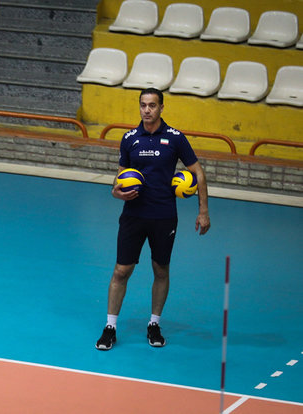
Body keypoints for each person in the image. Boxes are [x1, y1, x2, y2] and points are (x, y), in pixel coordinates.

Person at [95, 88, 210, 351]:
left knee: (161, 270)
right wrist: (116, 191)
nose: (147, 110)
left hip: (164, 216)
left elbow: (198, 172)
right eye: (143, 105)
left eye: (152, 105)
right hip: (133, 215)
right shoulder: (129, 138)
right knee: (121, 270)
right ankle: (110, 327)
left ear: (161, 108)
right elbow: (121, 175)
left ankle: (154, 323)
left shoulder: (176, 138)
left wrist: (203, 210)